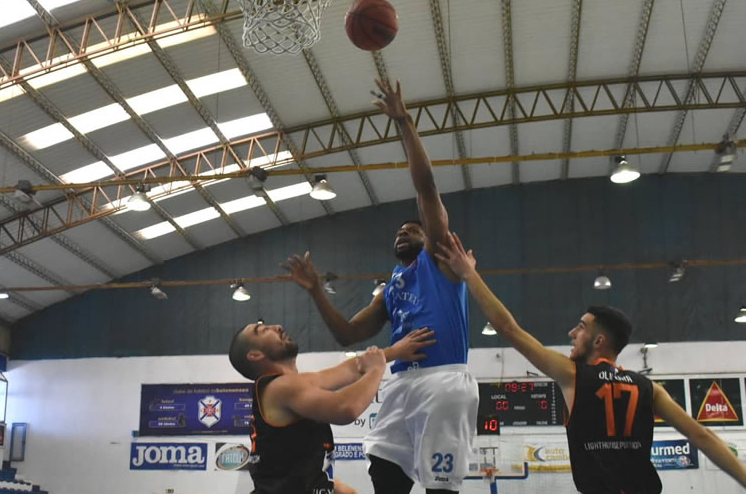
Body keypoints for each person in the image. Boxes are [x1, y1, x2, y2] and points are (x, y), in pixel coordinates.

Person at [435, 232, 746, 493]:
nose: (572, 332)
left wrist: (469, 274)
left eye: (581, 327)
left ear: (599, 341)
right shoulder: (649, 388)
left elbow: (508, 328)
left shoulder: (573, 376)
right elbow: (701, 436)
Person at [283, 77, 477, 494]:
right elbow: (347, 334)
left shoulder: (439, 259)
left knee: (440, 487)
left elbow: (427, 187)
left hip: (443, 378)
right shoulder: (390, 288)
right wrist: (317, 290)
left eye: (413, 228)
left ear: (429, 236)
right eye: (400, 230)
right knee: (383, 471)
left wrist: (403, 121)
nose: (404, 232)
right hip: (401, 381)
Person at [229, 321, 436, 494]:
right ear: (255, 354)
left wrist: (394, 351)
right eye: (263, 330)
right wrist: (377, 369)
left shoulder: (291, 384)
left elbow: (351, 369)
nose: (277, 326)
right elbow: (346, 408)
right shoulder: (282, 387)